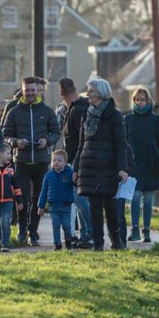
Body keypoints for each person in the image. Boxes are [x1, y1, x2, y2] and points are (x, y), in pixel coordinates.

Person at [1, 77, 60, 246]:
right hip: (22, 161)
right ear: (22, 90)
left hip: (41, 161)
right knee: (23, 197)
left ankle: (33, 232)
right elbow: (5, 134)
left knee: (38, 199)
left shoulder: (47, 111)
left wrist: (47, 141)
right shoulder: (14, 112)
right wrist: (16, 142)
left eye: (33, 90)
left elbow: (56, 132)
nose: (30, 93)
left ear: (38, 90)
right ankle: (21, 228)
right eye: (27, 90)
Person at [72, 77, 129, 251]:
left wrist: (122, 168)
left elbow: (120, 144)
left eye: (91, 91)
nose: (87, 94)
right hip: (89, 166)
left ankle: (116, 239)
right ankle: (98, 243)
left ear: (101, 94)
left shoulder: (115, 115)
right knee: (94, 208)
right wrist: (76, 168)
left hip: (108, 166)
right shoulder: (86, 113)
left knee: (111, 208)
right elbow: (81, 143)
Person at [123, 87, 159, 243]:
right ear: (134, 101)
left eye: (143, 99)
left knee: (147, 199)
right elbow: (123, 142)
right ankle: (134, 230)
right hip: (133, 163)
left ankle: (146, 231)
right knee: (134, 198)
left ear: (148, 101)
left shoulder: (156, 119)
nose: (140, 102)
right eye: (137, 99)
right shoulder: (127, 119)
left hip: (151, 163)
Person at [58, 78, 93, 248]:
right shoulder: (78, 108)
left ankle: (91, 232)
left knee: (79, 199)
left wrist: (74, 163)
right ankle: (85, 234)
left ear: (61, 92)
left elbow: (80, 140)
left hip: (76, 160)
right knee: (79, 200)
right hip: (76, 159)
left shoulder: (76, 110)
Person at [37, 150, 76, 250]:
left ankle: (68, 239)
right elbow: (44, 191)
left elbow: (76, 184)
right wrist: (40, 206)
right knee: (55, 225)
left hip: (65, 205)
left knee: (67, 225)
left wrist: (75, 179)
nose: (56, 162)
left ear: (65, 162)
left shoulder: (69, 173)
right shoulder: (48, 175)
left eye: (59, 160)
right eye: (54, 160)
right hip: (53, 205)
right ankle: (57, 244)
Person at [0, 145, 22, 252]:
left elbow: (16, 185)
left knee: (5, 221)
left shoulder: (11, 169)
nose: (10, 156)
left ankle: (5, 244)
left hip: (8, 201)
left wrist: (19, 200)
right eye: (8, 153)